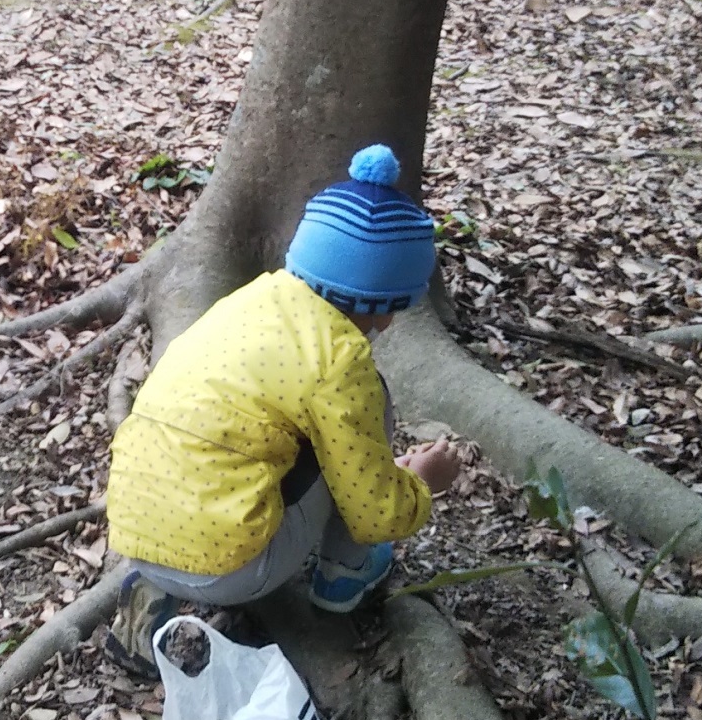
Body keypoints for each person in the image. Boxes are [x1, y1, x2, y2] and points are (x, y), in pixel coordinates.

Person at [104, 144, 461, 673]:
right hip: (232, 567)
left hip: (134, 530)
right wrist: (420, 483)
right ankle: (343, 578)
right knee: (369, 417)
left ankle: (152, 593)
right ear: (388, 311)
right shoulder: (340, 360)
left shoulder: (250, 300)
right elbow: (373, 510)